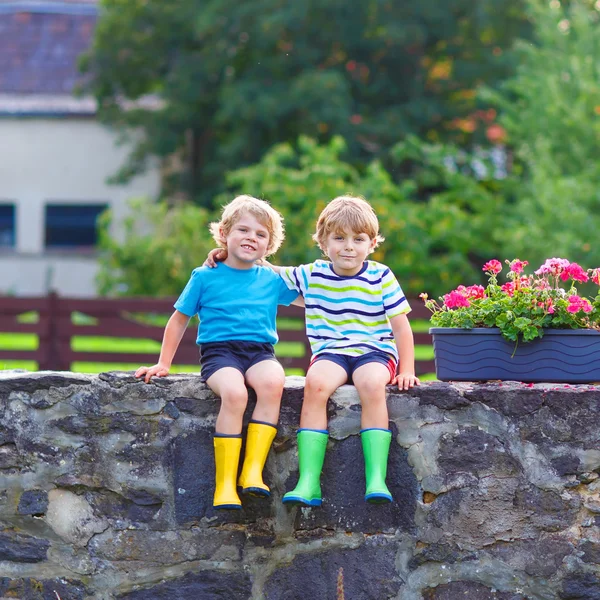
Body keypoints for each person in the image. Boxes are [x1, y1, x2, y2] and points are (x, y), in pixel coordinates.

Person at [206, 195, 419, 506]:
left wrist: (408, 369)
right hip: (331, 353)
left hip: (374, 351)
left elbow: (401, 326)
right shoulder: (312, 274)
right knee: (315, 384)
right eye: (339, 238)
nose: (348, 246)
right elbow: (265, 268)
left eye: (358, 239)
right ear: (323, 241)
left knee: (371, 384)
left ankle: (376, 478)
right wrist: (224, 254)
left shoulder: (381, 276)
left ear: (372, 243)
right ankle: (309, 482)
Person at [136, 195, 300, 510]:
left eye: (261, 235)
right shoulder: (204, 276)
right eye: (243, 230)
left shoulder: (270, 279)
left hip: (260, 352)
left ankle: (252, 471)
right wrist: (163, 363)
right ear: (224, 234)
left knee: (272, 382)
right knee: (235, 395)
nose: (251, 237)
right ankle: (225, 484)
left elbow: (310, 295)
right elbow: (179, 319)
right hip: (220, 354)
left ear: (269, 246)